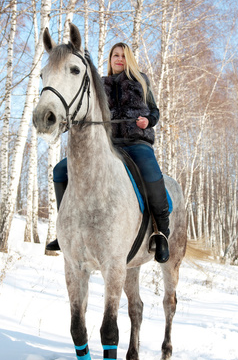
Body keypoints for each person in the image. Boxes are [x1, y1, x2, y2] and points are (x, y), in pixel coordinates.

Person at [46, 43, 170, 263]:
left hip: (136, 143)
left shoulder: (141, 80)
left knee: (151, 173)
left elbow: (154, 111)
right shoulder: (100, 84)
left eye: (123, 56)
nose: (119, 59)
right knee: (60, 170)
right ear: (110, 58)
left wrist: (147, 121)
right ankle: (64, 229)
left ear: (128, 59)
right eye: (115, 55)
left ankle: (161, 233)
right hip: (109, 144)